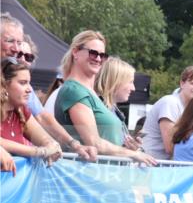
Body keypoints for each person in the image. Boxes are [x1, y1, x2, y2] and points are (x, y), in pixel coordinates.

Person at [1, 14, 96, 161]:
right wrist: (38, 151)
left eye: (19, 42)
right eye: (9, 41)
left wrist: (71, 145)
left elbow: (42, 117)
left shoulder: (20, 105)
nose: (16, 49)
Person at [51, 31, 154, 164]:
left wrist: (126, 147)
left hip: (105, 171)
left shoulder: (89, 93)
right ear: (75, 52)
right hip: (87, 172)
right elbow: (94, 143)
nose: (98, 59)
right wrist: (133, 154)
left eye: (103, 55)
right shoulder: (74, 90)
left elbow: (104, 141)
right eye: (93, 53)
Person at [1, 59, 62, 164]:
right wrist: (39, 151)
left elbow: (44, 138)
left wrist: (52, 146)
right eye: (23, 83)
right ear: (4, 85)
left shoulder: (21, 110)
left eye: (29, 83)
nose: (29, 89)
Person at [141, 65, 193, 160]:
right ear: (182, 83)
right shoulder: (170, 103)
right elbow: (171, 147)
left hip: (162, 165)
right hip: (149, 163)